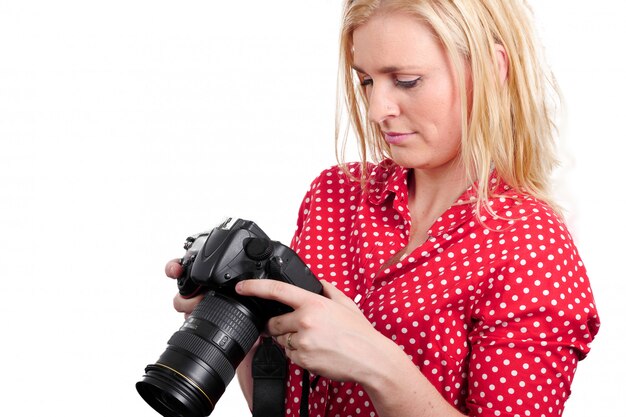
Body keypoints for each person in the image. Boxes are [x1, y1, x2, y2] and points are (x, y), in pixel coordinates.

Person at [166, 1, 600, 416]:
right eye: (366, 81)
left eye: (407, 80)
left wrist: (377, 364)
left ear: (492, 69)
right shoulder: (335, 195)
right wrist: (240, 324)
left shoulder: (534, 250)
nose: (377, 110)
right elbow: (288, 406)